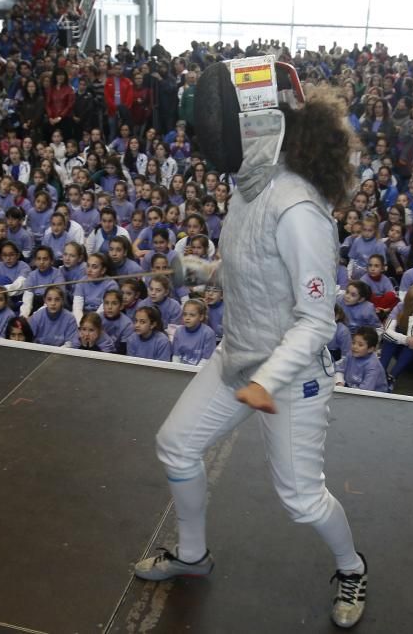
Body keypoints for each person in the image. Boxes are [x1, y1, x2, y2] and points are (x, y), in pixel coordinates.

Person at [134, 64, 367, 630]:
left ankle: (352, 566)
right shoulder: (249, 188)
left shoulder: (298, 210)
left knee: (301, 500)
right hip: (237, 358)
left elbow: (315, 320)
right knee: (176, 445)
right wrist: (197, 270)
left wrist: (267, 381)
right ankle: (192, 556)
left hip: (292, 377)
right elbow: (253, 272)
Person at [335, 327, 389, 392]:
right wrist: (339, 383)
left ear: (370, 349)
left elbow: (364, 392)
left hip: (372, 395)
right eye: (353, 342)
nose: (354, 346)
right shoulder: (351, 354)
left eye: (360, 345)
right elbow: (340, 369)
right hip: (351, 388)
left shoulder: (373, 366)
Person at [171, 299, 217, 366]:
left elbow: (206, 360)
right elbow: (176, 356)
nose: (187, 318)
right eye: (185, 314)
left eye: (192, 315)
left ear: (201, 317)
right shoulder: (178, 331)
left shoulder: (208, 333)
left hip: (199, 373)